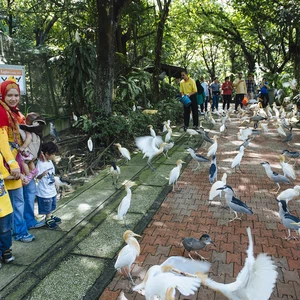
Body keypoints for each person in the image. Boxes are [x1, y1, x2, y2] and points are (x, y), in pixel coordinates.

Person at [0, 80, 44, 242]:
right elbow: (3, 142)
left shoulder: (14, 113)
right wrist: (12, 164)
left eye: (16, 95)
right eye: (9, 95)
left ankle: (18, 231)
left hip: (17, 161)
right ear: (2, 95)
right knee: (13, 202)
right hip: (8, 164)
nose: (13, 98)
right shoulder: (2, 112)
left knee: (18, 200)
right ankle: (16, 233)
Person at [36, 141, 61, 229]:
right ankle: (47, 218)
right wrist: (42, 174)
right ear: (46, 154)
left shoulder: (50, 162)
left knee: (52, 203)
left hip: (51, 188)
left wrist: (55, 180)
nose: (54, 155)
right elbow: (37, 177)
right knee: (46, 204)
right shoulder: (40, 164)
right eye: (52, 154)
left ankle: (50, 215)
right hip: (44, 190)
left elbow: (52, 173)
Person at [18, 112, 46, 182]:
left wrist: (23, 147)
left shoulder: (28, 130)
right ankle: (34, 170)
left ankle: (28, 175)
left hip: (30, 152)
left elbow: (29, 138)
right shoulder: (38, 131)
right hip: (35, 153)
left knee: (24, 162)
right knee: (31, 161)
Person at [0, 153, 15, 267]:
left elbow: (4, 173)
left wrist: (18, 175)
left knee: (5, 229)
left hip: (3, 203)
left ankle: (5, 251)